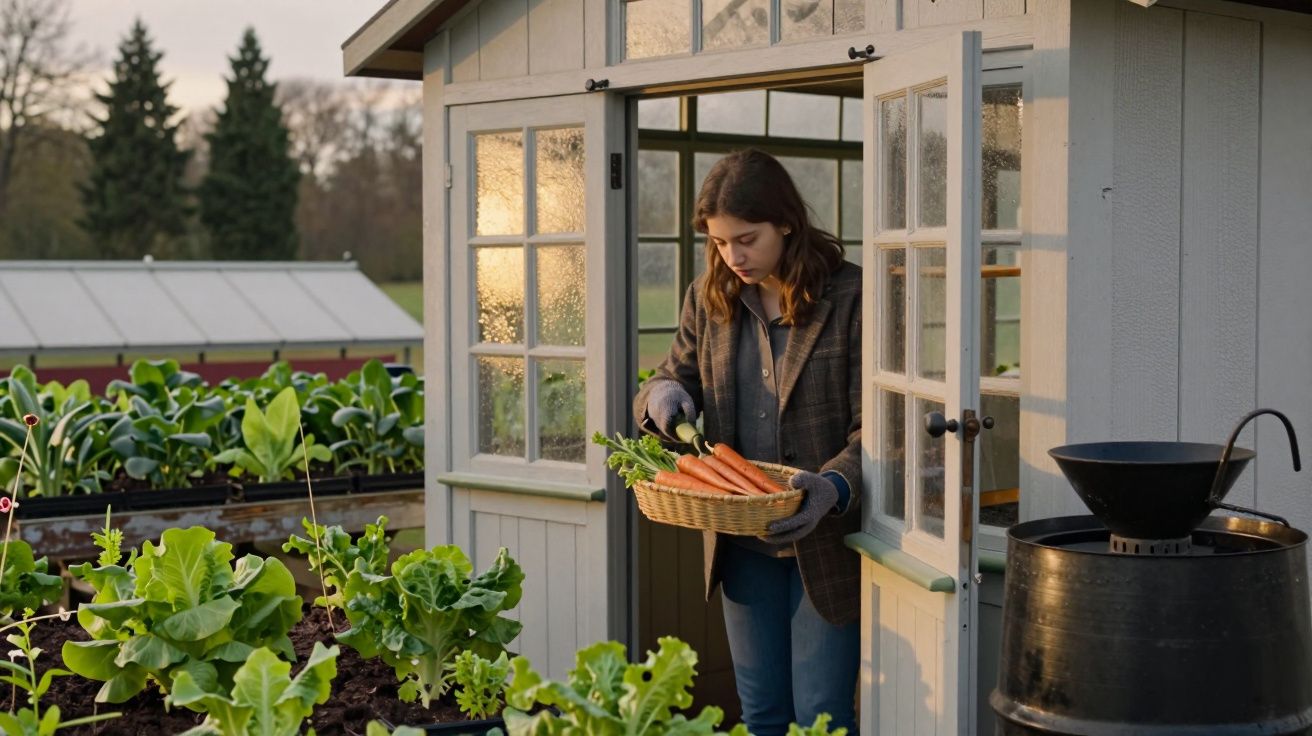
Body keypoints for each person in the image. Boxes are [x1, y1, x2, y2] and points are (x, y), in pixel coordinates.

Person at [633, 148, 862, 736]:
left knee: (822, 718)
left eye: (747, 239)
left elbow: (884, 429)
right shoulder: (707, 299)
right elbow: (670, 378)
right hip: (742, 547)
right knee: (761, 716)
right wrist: (659, 398)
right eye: (719, 242)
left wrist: (833, 486)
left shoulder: (852, 298)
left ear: (786, 221)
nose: (733, 257)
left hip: (825, 544)